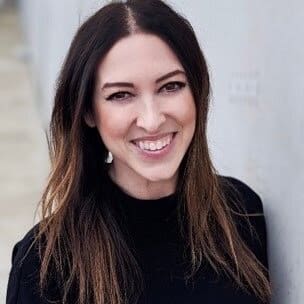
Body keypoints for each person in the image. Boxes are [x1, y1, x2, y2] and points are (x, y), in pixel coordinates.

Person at [6, 0, 271, 303]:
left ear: (197, 91)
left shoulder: (242, 214)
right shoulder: (43, 266)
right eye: (121, 95)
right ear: (88, 112)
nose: (152, 119)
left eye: (170, 86)